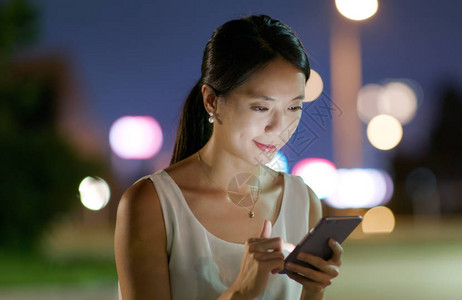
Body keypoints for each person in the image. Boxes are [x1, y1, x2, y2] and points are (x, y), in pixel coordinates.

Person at [114, 15, 343, 300]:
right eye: (261, 108)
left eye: (294, 108)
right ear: (211, 100)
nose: (279, 127)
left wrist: (313, 287)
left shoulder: (302, 201)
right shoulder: (153, 203)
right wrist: (240, 293)